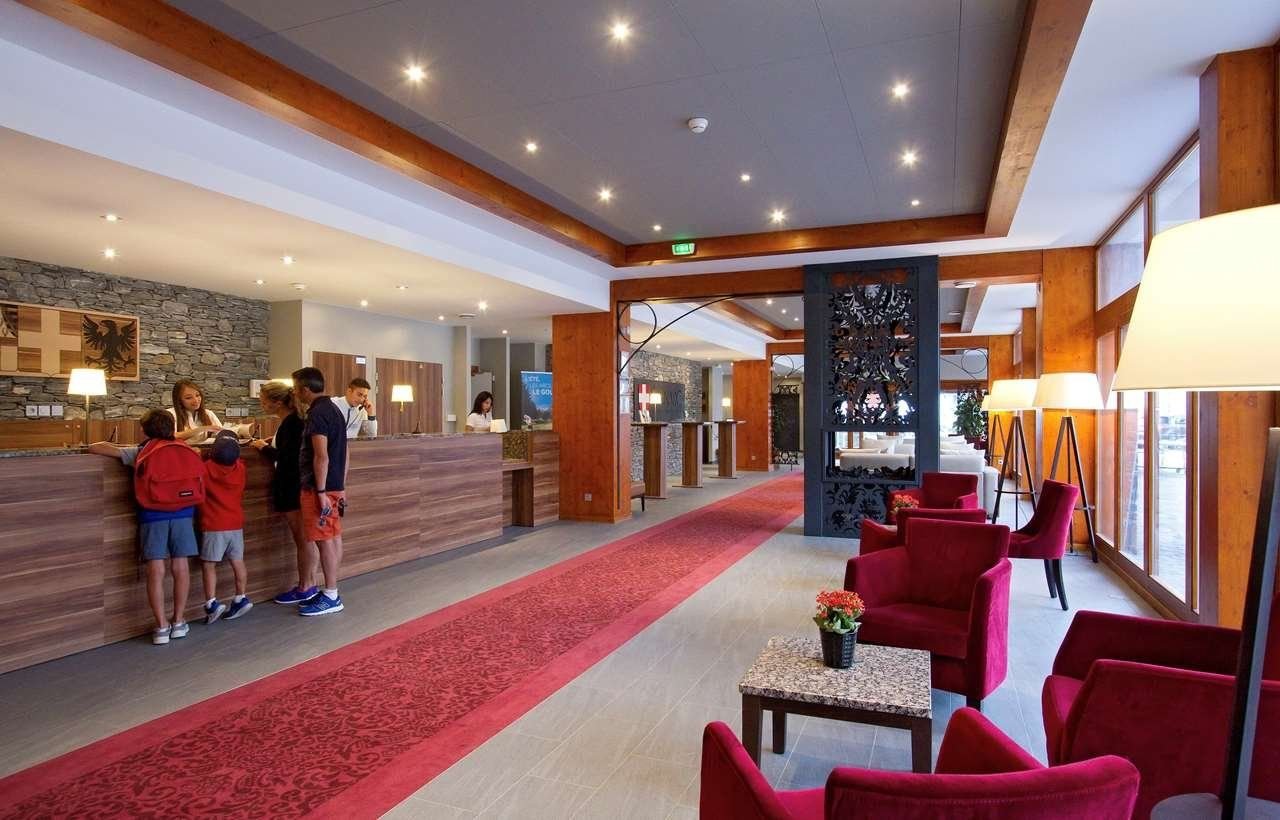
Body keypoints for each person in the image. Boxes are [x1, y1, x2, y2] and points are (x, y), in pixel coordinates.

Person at [89, 409, 204, 645]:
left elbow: (96, 447)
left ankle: (161, 626)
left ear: (144, 430)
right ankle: (179, 621)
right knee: (180, 566)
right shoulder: (186, 449)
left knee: (156, 569)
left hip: (153, 515)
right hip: (184, 512)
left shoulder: (141, 452)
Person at [251, 383, 319, 605]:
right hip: (295, 485)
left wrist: (263, 447)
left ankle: (306, 586)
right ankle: (308, 583)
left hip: (292, 486)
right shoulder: (292, 422)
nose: (261, 404)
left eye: (263, 400)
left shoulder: (292, 423)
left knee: (303, 538)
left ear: (277, 402)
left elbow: (287, 458)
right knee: (304, 538)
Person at [292, 366, 349, 616]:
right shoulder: (335, 409)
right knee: (333, 538)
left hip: (319, 487)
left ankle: (331, 594)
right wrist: (340, 486)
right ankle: (330, 591)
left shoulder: (317, 414)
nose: (295, 393)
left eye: (296, 389)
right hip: (334, 486)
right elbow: (345, 453)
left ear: (305, 389)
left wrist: (321, 491)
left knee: (324, 540)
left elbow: (321, 456)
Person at [199, 430, 251, 624]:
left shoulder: (205, 469)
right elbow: (239, 460)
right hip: (235, 523)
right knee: (238, 561)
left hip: (214, 524)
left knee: (209, 564)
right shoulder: (240, 469)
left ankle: (211, 603)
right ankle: (240, 597)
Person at [167, 379, 224, 444]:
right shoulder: (170, 414)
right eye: (188, 398)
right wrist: (202, 429)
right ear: (179, 400)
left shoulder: (208, 414)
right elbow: (170, 436)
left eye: (197, 395)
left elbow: (221, 433)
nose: (196, 400)